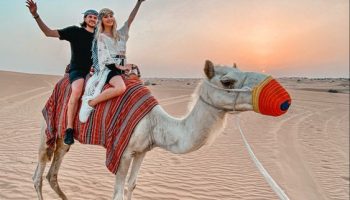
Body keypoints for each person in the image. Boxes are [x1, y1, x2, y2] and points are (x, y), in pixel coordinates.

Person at [26, 0, 98, 145]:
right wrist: (35, 15)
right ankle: (69, 129)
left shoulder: (99, 37)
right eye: (90, 16)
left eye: (96, 18)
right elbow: (48, 33)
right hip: (77, 70)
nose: (93, 19)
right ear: (85, 19)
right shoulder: (74, 31)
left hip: (94, 71)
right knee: (77, 91)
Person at [79, 0, 146, 122]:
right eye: (106, 17)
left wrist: (139, 3)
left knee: (140, 88)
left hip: (123, 68)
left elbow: (130, 19)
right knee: (120, 88)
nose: (110, 18)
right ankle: (90, 103)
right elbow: (105, 58)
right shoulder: (100, 37)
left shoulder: (121, 33)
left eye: (111, 16)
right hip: (110, 69)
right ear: (101, 21)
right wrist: (121, 67)